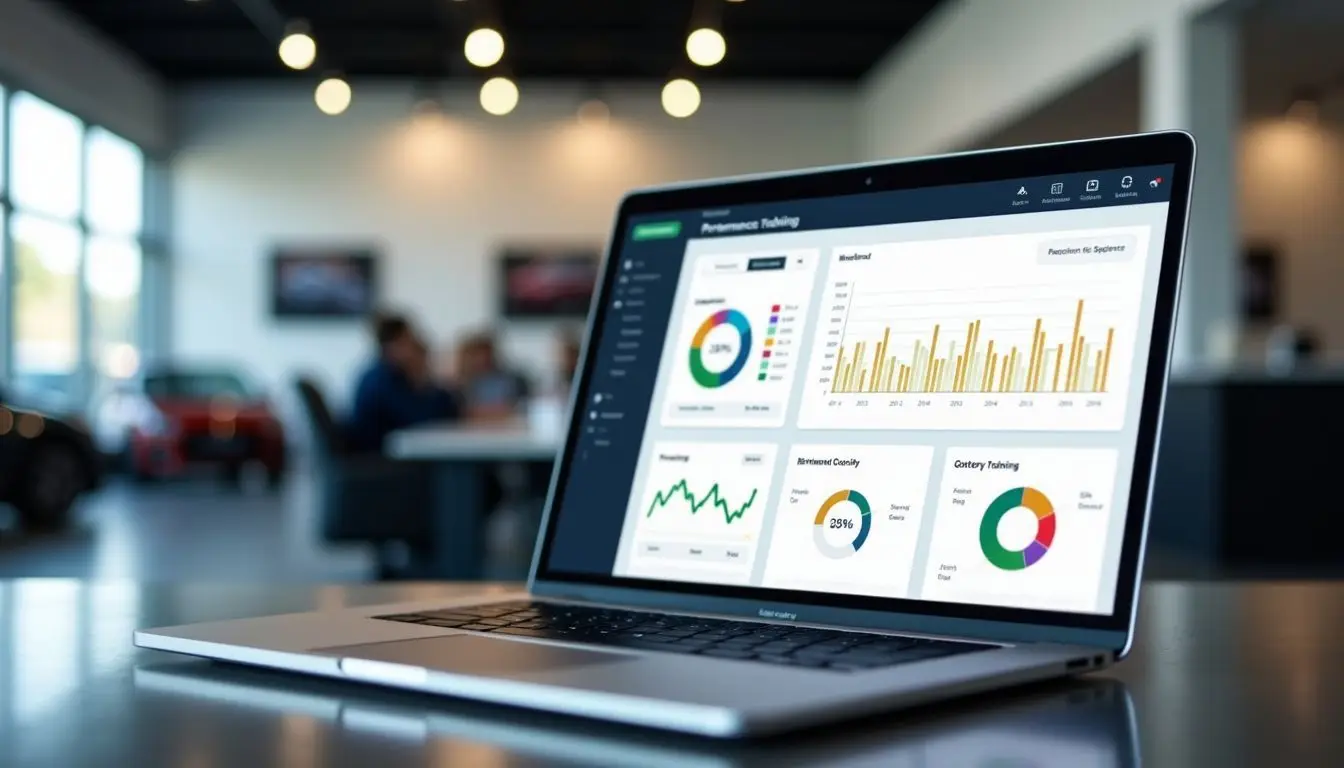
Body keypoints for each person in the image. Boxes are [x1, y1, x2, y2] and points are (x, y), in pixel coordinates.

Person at [346, 313, 461, 453]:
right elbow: (421, 421)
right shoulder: (381, 380)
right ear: (395, 344)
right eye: (410, 340)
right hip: (381, 458)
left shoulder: (384, 374)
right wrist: (424, 376)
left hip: (389, 453)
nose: (416, 346)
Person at [453, 331, 532, 421]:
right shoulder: (460, 388)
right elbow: (465, 414)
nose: (482, 359)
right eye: (477, 355)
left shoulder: (512, 381)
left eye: (485, 354)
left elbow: (516, 410)